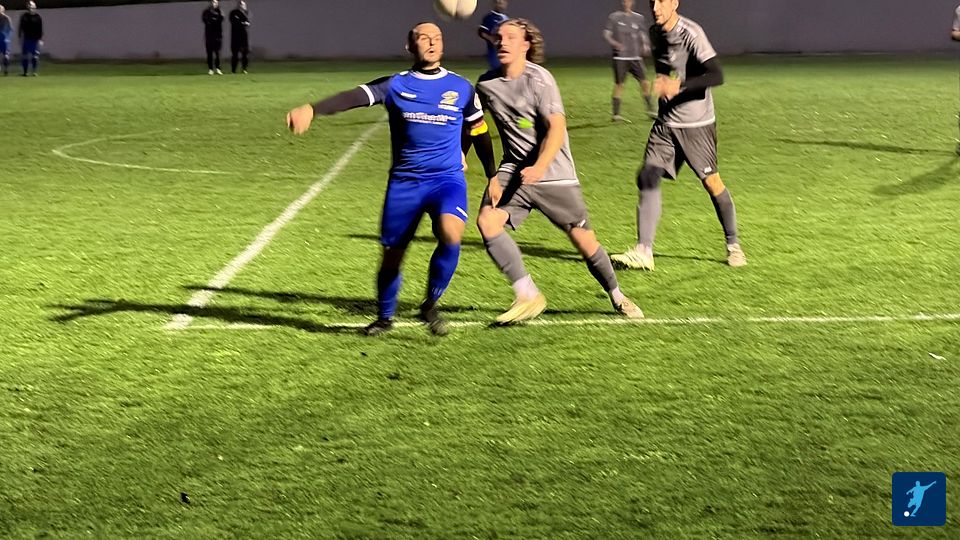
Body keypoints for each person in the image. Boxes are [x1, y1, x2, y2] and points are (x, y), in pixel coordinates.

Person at [286, 22, 498, 336]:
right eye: (423, 38)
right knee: (392, 255)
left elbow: (479, 131)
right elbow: (354, 96)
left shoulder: (462, 88)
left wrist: (492, 175)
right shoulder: (396, 85)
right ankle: (384, 318)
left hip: (446, 180)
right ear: (410, 46)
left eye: (437, 38)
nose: (431, 42)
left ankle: (430, 304)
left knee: (451, 234)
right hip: (405, 183)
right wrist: (313, 109)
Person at [474, 19, 644, 324]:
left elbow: (556, 127)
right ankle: (528, 295)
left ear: (526, 45)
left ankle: (618, 296)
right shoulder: (486, 84)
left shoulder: (540, 80)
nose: (503, 42)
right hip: (514, 171)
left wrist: (539, 166)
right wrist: (469, 160)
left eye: (511, 37)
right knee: (487, 220)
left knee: (585, 243)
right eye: (499, 37)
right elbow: (473, 124)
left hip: (554, 172)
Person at [611, 0, 746, 271]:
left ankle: (733, 245)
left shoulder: (692, 33)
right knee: (647, 176)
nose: (656, 8)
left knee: (712, 183)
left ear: (675, 3)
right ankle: (644, 250)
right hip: (666, 124)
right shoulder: (655, 33)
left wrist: (679, 85)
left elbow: (716, 75)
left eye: (662, 1)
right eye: (652, 2)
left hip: (697, 125)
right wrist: (663, 85)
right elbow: (664, 69)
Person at [603, 0, 655, 121]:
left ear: (632, 3)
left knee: (645, 83)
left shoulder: (639, 18)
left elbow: (642, 34)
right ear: (622, 3)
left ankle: (651, 111)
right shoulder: (614, 17)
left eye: (629, 1)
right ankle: (616, 115)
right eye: (625, 1)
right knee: (619, 85)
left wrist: (645, 44)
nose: (627, 3)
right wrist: (614, 43)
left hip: (635, 58)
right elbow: (606, 34)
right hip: (620, 58)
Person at [477, 0, 508, 70]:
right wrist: (491, 38)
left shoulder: (506, 18)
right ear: (494, 4)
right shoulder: (489, 18)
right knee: (496, 70)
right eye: (499, 3)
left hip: (505, 50)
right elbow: (481, 32)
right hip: (494, 52)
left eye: (502, 3)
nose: (501, 5)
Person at [17, 0, 41, 77]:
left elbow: (40, 29)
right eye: (30, 6)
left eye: (33, 6)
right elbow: (21, 27)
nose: (32, 7)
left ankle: (34, 72)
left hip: (35, 39)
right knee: (25, 56)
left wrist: (40, 39)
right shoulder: (24, 16)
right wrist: (20, 36)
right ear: (28, 7)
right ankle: (25, 72)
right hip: (26, 39)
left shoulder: (38, 17)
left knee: (35, 56)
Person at [202, 0, 224, 75]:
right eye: (213, 2)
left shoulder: (220, 11)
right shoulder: (206, 12)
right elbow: (205, 20)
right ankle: (210, 69)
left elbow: (221, 19)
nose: (214, 4)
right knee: (209, 53)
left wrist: (213, 20)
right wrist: (212, 20)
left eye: (215, 2)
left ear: (217, 3)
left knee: (218, 53)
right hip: (209, 35)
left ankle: (218, 68)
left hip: (217, 35)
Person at [229, 0, 250, 74]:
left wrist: (244, 23)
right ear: (239, 5)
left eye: (244, 5)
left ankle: (244, 69)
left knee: (245, 53)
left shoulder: (246, 13)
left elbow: (248, 23)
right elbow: (235, 22)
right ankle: (233, 70)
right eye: (242, 5)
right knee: (235, 54)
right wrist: (243, 23)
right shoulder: (233, 13)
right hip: (235, 36)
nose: (244, 6)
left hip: (244, 36)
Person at [0, 5, 11, 76]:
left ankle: (6, 69)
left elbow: (10, 29)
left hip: (4, 39)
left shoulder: (6, 18)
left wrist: (7, 38)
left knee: (6, 55)